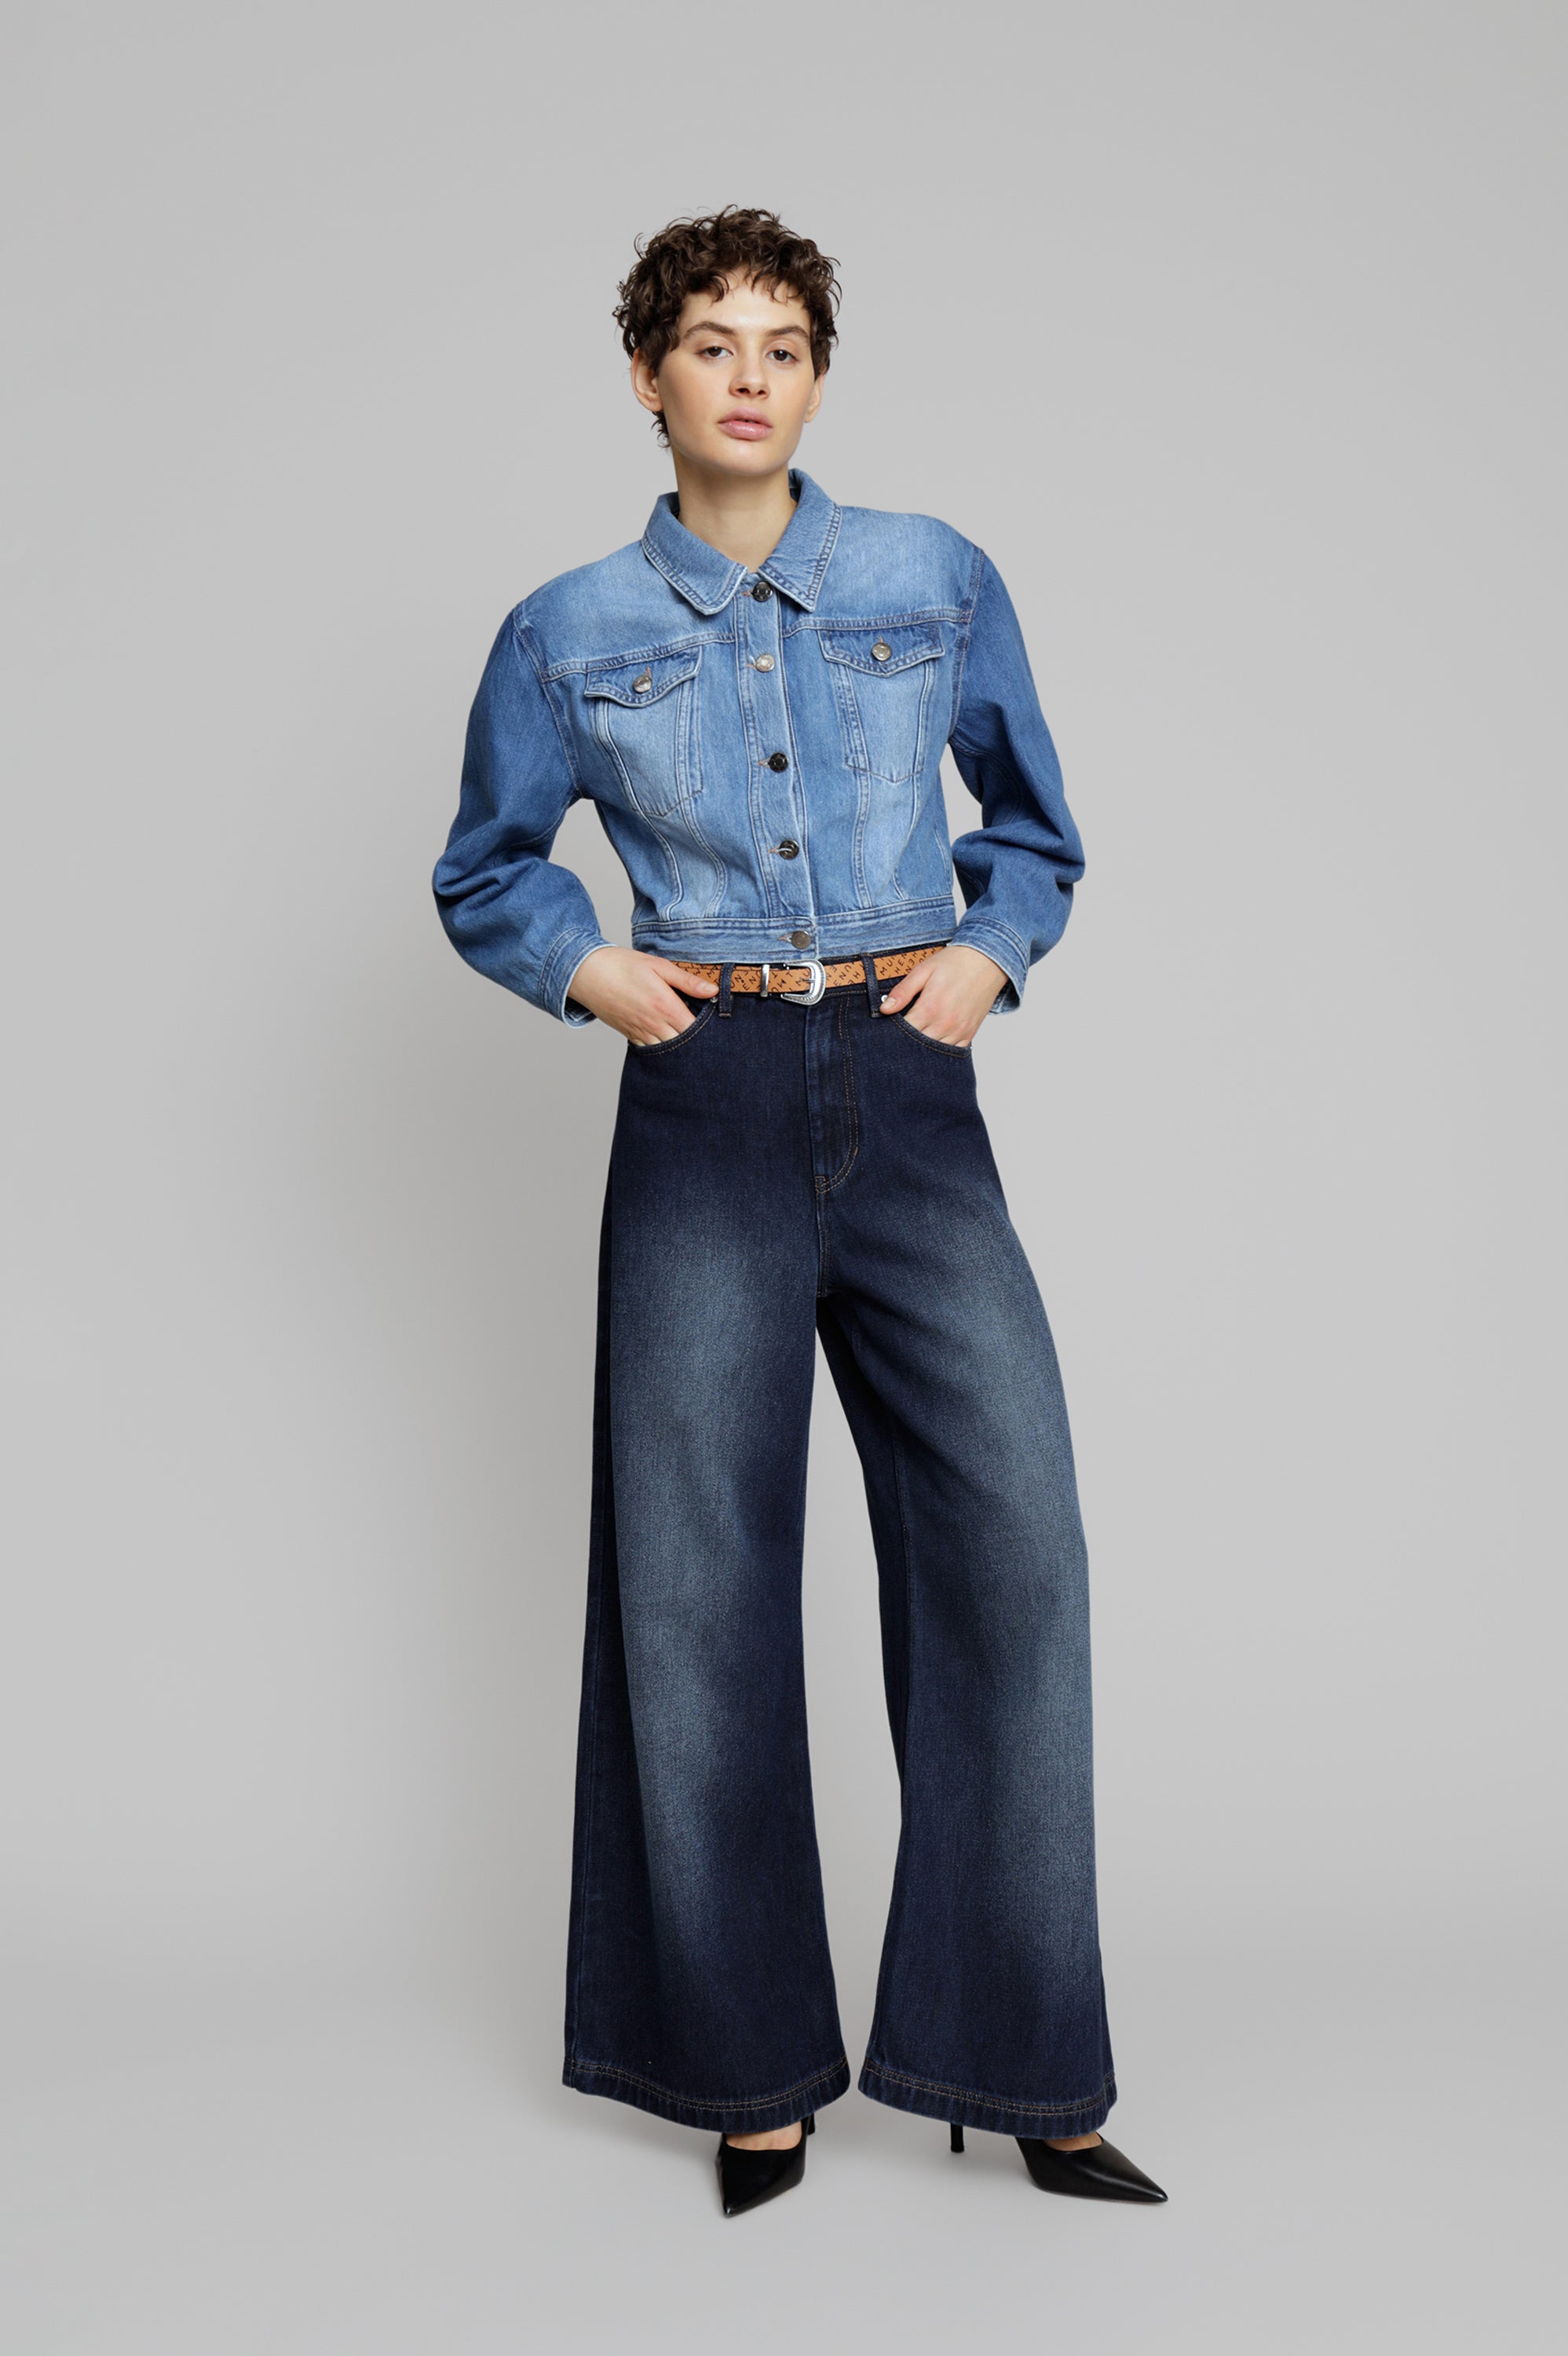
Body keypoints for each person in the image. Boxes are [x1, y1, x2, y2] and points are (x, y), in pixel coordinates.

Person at [433, 207, 1165, 2218]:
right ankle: (748, 2079)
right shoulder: (567, 626)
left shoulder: (932, 577)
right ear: (646, 376)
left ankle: (1024, 2069)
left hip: (910, 1090)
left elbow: (1034, 832)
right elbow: (487, 868)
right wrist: (596, 973)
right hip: (707, 1094)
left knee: (1015, 1552)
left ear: (819, 379)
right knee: (699, 1587)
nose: (747, 376)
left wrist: (988, 956)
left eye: (781, 345)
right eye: (709, 342)